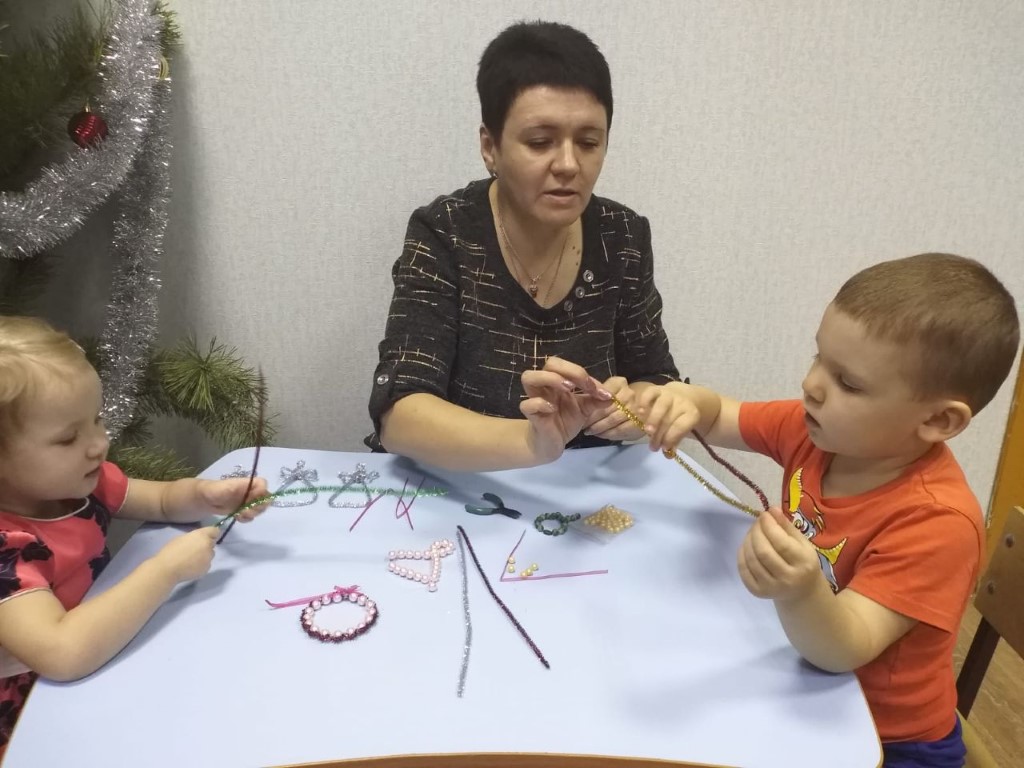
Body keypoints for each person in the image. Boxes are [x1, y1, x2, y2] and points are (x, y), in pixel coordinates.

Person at [635, 253, 1020, 767]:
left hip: (887, 741)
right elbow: (722, 414)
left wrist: (800, 590)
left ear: (939, 421)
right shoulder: (816, 431)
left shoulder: (938, 523)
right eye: (818, 357)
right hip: (805, 688)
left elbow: (844, 649)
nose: (812, 385)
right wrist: (689, 402)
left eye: (849, 383)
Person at [368, 20, 681, 471]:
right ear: (490, 146)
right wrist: (533, 443)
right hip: (458, 484)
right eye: (540, 142)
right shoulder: (445, 231)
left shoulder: (623, 235)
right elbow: (400, 413)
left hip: (581, 489)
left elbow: (658, 379)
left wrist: (632, 411)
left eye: (588, 142)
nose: (569, 164)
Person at [0, 316, 269, 756]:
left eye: (96, 420)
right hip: (30, 720)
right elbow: (63, 652)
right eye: (67, 438)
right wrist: (165, 571)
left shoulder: (76, 484)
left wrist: (207, 495)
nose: (98, 443)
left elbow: (159, 501)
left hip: (101, 654)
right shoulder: (8, 548)